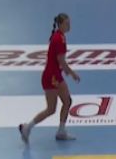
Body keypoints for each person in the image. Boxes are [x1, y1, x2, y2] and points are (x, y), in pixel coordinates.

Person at [19, 13, 80, 143]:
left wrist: (66, 72)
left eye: (69, 23)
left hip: (52, 75)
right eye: (66, 24)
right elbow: (61, 61)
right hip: (52, 77)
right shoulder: (59, 39)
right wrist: (72, 74)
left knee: (61, 104)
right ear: (60, 24)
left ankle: (56, 131)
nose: (69, 26)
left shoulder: (59, 36)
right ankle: (29, 128)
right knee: (58, 105)